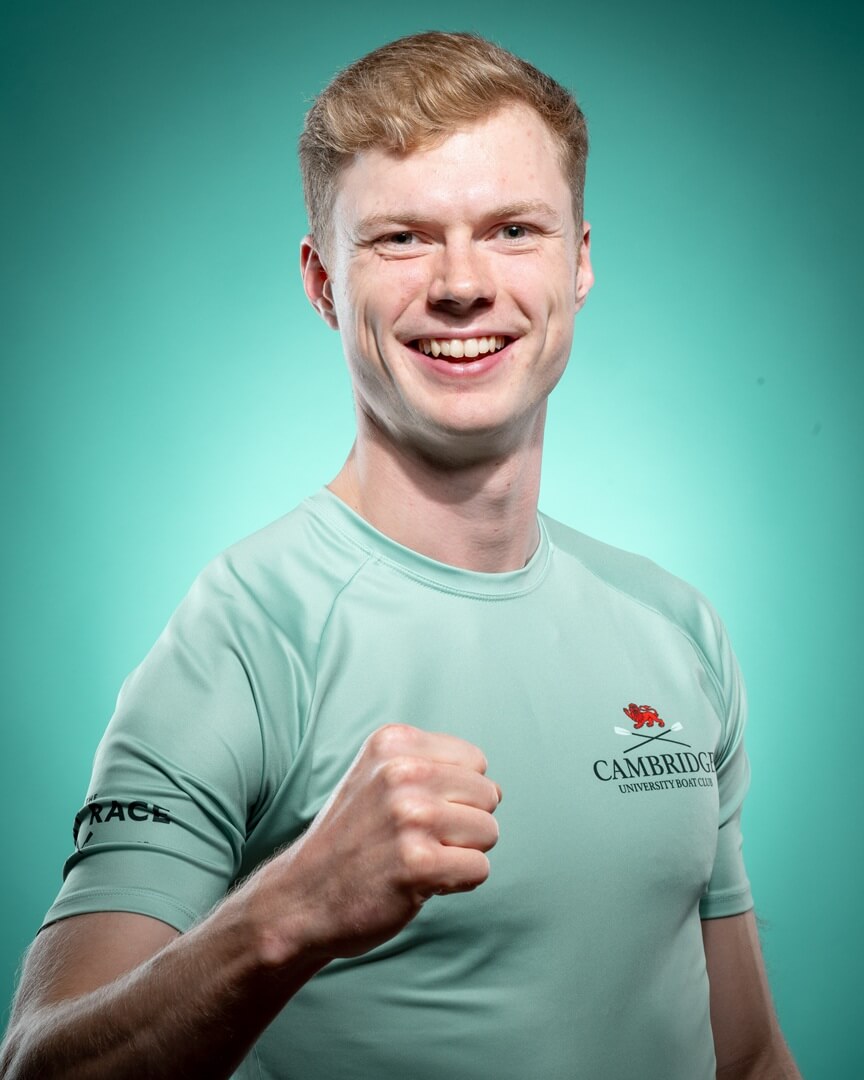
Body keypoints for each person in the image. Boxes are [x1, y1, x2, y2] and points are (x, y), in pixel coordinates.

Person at [0, 31, 800, 1080]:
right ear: (322, 282)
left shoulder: (676, 628)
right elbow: (41, 1064)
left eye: (512, 229)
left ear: (578, 261)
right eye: (402, 239)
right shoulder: (244, 637)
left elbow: (748, 1058)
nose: (463, 285)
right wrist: (289, 912)